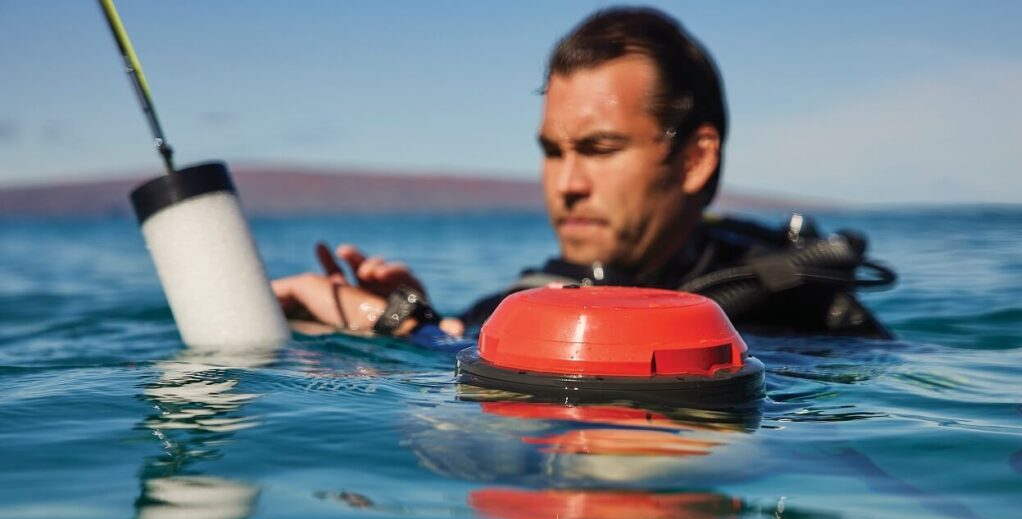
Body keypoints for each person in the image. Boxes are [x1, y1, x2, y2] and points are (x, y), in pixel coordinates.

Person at [272, 7, 892, 344]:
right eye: (552, 151)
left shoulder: (797, 295)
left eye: (599, 148)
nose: (565, 183)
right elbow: (458, 354)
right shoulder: (521, 303)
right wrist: (404, 327)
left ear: (695, 158)